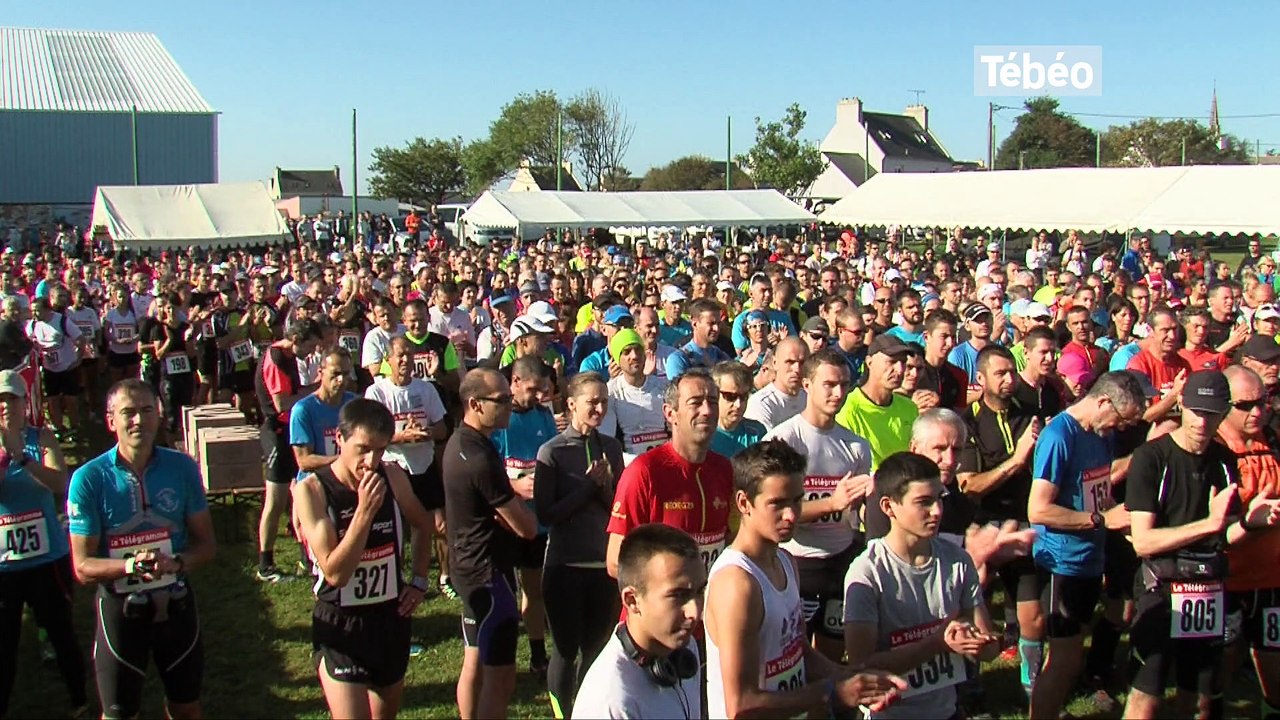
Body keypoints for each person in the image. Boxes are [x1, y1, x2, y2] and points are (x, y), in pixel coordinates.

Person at [705, 439, 906, 718]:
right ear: (743, 502)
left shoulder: (786, 562)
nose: (791, 515)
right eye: (777, 503)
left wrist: (852, 678)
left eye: (797, 500)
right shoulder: (736, 584)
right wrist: (831, 693)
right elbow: (742, 706)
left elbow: (796, 649)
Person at [1124, 370, 1280, 719]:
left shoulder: (1224, 462)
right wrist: (1207, 525)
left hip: (1207, 589)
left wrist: (1249, 523)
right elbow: (1144, 541)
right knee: (1147, 694)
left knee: (1200, 700)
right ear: (1180, 405)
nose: (1201, 422)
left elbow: (1224, 535)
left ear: (1223, 412)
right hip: (1162, 586)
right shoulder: (1152, 458)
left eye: (1211, 413)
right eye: (1195, 411)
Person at [67, 379, 217, 720]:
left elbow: (207, 545)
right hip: (121, 612)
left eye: (147, 411)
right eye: (128, 413)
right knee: (119, 713)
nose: (138, 421)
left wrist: (177, 563)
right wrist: (129, 568)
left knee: (187, 708)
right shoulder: (90, 479)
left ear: (159, 414)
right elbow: (82, 566)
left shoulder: (181, 468)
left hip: (176, 606)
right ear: (110, 421)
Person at [293, 399, 437, 720]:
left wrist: (419, 580)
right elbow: (335, 573)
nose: (370, 461)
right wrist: (364, 513)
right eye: (362, 449)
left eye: (380, 450)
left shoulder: (393, 477)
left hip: (389, 619)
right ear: (339, 440)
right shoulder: (313, 491)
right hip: (340, 625)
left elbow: (424, 524)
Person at [845, 451, 1000, 720]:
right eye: (923, 502)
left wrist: (978, 642)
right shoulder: (868, 572)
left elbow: (989, 650)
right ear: (888, 507)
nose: (937, 511)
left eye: (940, 499)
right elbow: (862, 666)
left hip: (947, 712)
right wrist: (937, 644)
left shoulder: (957, 560)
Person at [1026, 370, 1144, 720]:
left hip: (1091, 556)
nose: (1122, 428)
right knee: (1062, 661)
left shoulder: (1102, 434)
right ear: (1103, 401)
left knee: (1071, 656)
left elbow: (1099, 494)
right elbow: (1039, 508)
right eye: (1122, 419)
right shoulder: (1059, 436)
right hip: (1061, 562)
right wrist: (1101, 521)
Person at [442, 368, 539, 720]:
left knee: (474, 660)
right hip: (488, 573)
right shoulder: (481, 458)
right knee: (500, 678)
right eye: (500, 400)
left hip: (467, 566)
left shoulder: (461, 444)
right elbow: (527, 528)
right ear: (474, 404)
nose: (509, 405)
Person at [764, 349, 873, 659]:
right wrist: (831, 503)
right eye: (829, 384)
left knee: (833, 652)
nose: (838, 393)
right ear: (807, 385)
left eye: (844, 385)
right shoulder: (784, 441)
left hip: (841, 559)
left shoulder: (856, 445)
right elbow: (771, 515)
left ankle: (830, 704)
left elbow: (857, 510)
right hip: (798, 563)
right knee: (793, 654)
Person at [534, 372, 626, 718]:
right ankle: (563, 712)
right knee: (565, 649)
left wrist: (602, 489)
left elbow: (618, 507)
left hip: (602, 565)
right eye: (592, 402)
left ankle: (589, 711)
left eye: (604, 401)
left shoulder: (611, 446)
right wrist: (588, 487)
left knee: (597, 649)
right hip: (565, 566)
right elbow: (547, 513)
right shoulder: (553, 452)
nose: (600, 408)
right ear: (571, 404)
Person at [0, 370, 86, 717]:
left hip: (46, 557)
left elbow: (59, 484)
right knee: (4, 644)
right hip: (4, 565)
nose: (5, 405)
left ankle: (79, 699)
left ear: (25, 402)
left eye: (12, 398)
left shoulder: (41, 437)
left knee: (62, 632)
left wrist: (23, 459)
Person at [605, 368, 733, 581]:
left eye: (712, 401)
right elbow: (615, 560)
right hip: (659, 609)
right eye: (695, 403)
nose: (707, 411)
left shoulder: (724, 468)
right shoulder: (644, 472)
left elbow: (729, 540)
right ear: (670, 413)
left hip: (709, 607)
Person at [571, 524, 705, 719]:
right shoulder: (611, 702)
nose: (695, 612)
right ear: (632, 601)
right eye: (678, 595)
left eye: (699, 591)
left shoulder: (684, 649)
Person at [1217, 365, 1280, 720]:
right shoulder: (1210, 449)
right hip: (1223, 579)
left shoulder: (1273, 438)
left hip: (1271, 579)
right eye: (1246, 405)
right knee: (1218, 669)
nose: (1257, 411)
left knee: (1275, 671)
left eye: (1262, 401)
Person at [490, 356, 558, 680]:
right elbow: (484, 472)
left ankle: (537, 653)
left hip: (537, 521)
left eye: (542, 390)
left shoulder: (544, 416)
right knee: (502, 592)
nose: (538, 396)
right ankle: (495, 657)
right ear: (514, 383)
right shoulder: (498, 422)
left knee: (535, 587)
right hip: (503, 520)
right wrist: (514, 485)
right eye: (532, 390)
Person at [364, 336, 449, 594]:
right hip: (393, 466)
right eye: (399, 355)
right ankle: (395, 578)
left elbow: (443, 428)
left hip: (423, 464)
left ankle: (441, 577)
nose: (405, 360)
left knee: (439, 525)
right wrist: (401, 437)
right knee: (396, 527)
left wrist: (426, 431)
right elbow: (369, 437)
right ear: (388, 360)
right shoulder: (377, 392)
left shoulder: (426, 389)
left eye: (409, 354)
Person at [255, 319, 322, 582]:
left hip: (289, 430)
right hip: (276, 432)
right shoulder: (276, 357)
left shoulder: (289, 356)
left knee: (301, 493)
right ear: (296, 340)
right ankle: (265, 564)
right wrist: (317, 388)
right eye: (311, 346)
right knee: (276, 499)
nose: (312, 352)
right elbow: (282, 402)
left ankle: (306, 554)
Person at [837, 334, 919, 470]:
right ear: (869, 362)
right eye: (892, 361)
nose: (900, 370)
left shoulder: (909, 407)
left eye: (903, 362)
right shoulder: (848, 408)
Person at [602, 329, 668, 463]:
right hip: (629, 465)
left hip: (665, 461)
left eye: (638, 350)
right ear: (617, 360)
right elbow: (607, 440)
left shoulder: (663, 387)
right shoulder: (610, 392)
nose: (634, 356)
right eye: (626, 352)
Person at [744, 337, 808, 431]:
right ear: (775, 363)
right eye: (790, 362)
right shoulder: (761, 404)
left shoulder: (811, 399)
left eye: (802, 363)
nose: (797, 369)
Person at [709, 361, 766, 459]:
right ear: (714, 395)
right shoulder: (703, 435)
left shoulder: (757, 432)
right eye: (730, 396)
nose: (738, 405)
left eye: (744, 396)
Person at [665, 298, 730, 381]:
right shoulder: (679, 359)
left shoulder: (719, 355)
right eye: (711, 324)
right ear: (695, 324)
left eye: (718, 323)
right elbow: (679, 391)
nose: (716, 328)